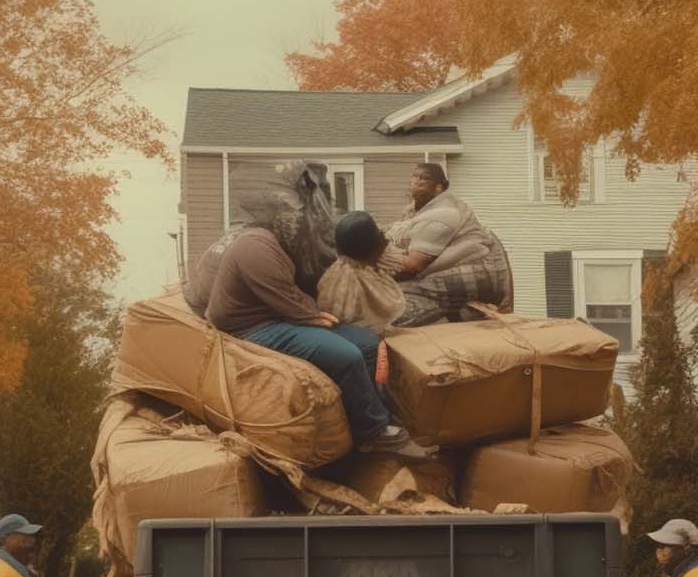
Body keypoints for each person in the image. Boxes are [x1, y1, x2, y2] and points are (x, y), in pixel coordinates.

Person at [206, 211, 430, 459]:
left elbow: (292, 294)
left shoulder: (283, 246)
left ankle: (372, 418)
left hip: (280, 314)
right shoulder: (257, 249)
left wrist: (313, 311)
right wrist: (311, 315)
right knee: (347, 356)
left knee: (367, 343)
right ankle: (375, 433)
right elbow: (284, 297)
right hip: (252, 327)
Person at [387, 162, 514, 327]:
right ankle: (456, 315)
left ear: (438, 187)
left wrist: (376, 265)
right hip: (447, 266)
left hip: (477, 270)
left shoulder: (443, 213)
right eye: (415, 176)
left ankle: (444, 316)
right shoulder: (416, 210)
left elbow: (413, 265)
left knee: (394, 305)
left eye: (424, 178)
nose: (416, 181)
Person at [316, 210, 406, 335]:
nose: (385, 238)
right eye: (380, 235)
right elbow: (390, 310)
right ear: (378, 246)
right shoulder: (360, 282)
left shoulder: (336, 271)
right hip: (367, 333)